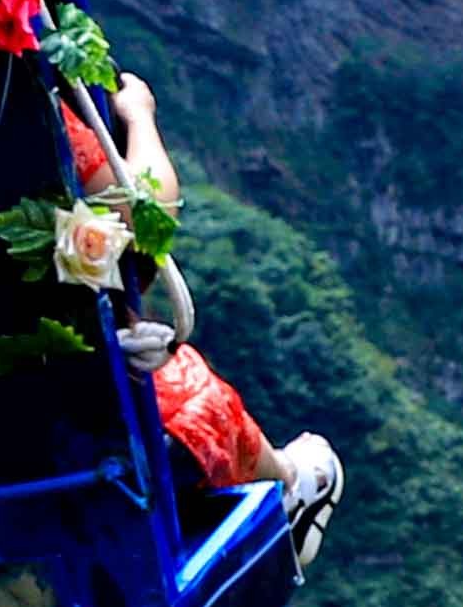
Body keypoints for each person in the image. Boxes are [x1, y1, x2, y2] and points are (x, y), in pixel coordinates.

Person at [62, 73, 343, 563]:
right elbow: (143, 209)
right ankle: (288, 485)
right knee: (180, 395)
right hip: (67, 413)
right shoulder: (18, 95)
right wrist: (139, 118)